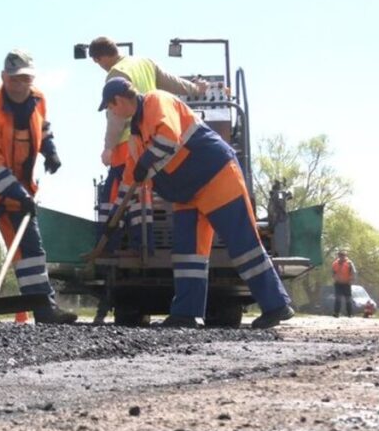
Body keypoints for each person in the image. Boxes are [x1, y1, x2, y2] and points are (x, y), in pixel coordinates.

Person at [99, 77, 294, 329]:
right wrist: (114, 216)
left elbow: (169, 137)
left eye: (110, 107)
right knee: (187, 254)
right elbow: (129, 181)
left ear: (120, 100)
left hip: (216, 177)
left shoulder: (157, 101)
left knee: (243, 244)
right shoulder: (136, 137)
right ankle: (187, 313)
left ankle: (276, 305)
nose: (112, 112)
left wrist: (146, 163)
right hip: (186, 193)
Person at [0, 50, 75, 324]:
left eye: (26, 79)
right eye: (15, 80)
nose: (20, 85)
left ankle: (44, 308)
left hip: (16, 185)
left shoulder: (38, 98)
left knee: (31, 248)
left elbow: (42, 126)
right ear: (3, 78)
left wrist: (50, 149)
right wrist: (20, 194)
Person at [87, 37, 206, 323]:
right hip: (154, 143)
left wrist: (107, 147)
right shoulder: (144, 62)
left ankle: (112, 246)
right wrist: (197, 89)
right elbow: (173, 83)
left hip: (130, 144)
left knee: (115, 197)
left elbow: (115, 119)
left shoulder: (116, 76)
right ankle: (146, 244)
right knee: (144, 200)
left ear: (100, 58)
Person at [331, 249, 357, 317]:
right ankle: (336, 313)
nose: (342, 257)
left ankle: (349, 314)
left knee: (348, 299)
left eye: (343, 255)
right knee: (338, 298)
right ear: (338, 256)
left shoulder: (349, 263)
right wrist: (334, 278)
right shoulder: (335, 263)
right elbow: (333, 272)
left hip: (346, 283)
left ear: (345, 256)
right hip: (338, 283)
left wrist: (351, 280)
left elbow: (353, 272)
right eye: (340, 255)